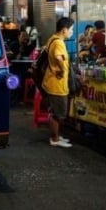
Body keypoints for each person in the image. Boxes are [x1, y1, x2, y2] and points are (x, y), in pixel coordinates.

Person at [42, 17, 75, 148]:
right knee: (58, 113)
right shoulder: (59, 43)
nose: (71, 32)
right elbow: (58, 57)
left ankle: (56, 136)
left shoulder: (52, 39)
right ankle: (54, 139)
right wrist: (62, 69)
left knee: (56, 112)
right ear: (64, 30)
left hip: (52, 81)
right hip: (56, 84)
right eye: (71, 29)